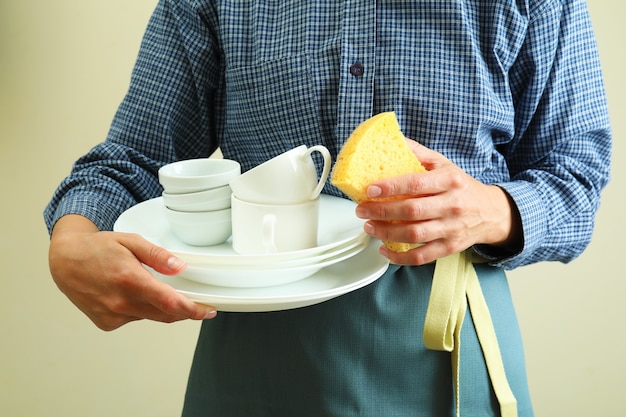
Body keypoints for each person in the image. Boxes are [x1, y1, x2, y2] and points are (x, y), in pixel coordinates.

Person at [44, 1, 611, 416]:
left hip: (447, 341)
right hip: (255, 350)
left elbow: (575, 180)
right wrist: (71, 242)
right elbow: (132, 158)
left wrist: (488, 209)